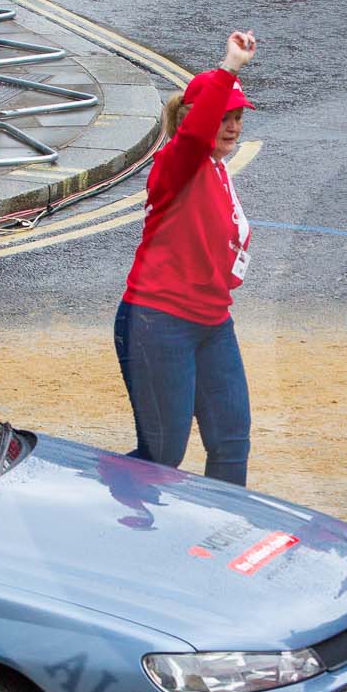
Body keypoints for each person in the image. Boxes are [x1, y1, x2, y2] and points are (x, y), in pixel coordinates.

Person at [116, 31, 261, 487]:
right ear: (195, 121)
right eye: (224, 117)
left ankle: (221, 527)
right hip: (157, 323)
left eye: (238, 118)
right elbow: (197, 136)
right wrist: (230, 67)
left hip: (212, 323)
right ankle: (103, 504)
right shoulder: (177, 165)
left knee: (231, 441)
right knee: (163, 455)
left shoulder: (218, 170)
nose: (233, 127)